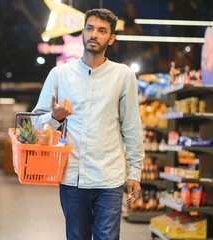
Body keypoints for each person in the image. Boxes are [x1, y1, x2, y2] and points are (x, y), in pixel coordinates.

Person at [32, 8, 144, 240]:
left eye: (102, 31)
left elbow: (131, 127)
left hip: (110, 178)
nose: (94, 34)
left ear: (111, 38)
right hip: (73, 176)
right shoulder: (59, 74)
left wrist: (135, 172)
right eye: (90, 28)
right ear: (82, 32)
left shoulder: (123, 76)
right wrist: (56, 117)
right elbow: (33, 125)